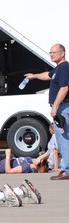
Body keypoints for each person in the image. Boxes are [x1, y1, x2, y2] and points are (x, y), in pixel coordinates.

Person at [24, 43, 69, 180]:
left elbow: (64, 88)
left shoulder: (64, 68)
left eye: (54, 52)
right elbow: (48, 75)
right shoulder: (58, 69)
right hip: (61, 107)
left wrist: (55, 106)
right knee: (62, 139)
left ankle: (67, 170)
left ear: (62, 53)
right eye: (50, 52)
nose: (51, 54)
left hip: (63, 107)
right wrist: (34, 76)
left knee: (64, 139)